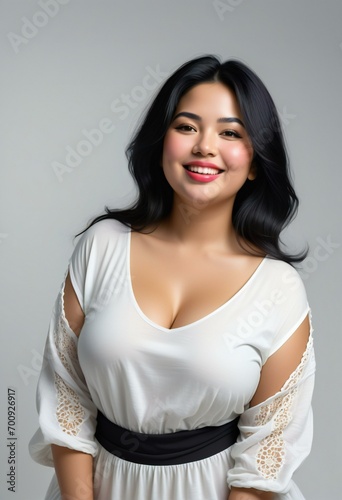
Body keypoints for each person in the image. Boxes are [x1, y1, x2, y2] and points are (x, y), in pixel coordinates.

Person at [29, 55, 315, 500]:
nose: (205, 146)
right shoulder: (101, 246)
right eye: (186, 127)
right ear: (161, 141)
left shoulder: (278, 290)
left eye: (230, 133)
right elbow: (66, 397)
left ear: (255, 161)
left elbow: (268, 453)